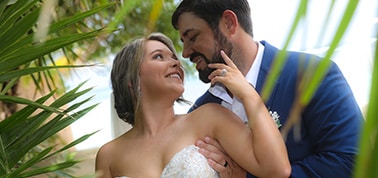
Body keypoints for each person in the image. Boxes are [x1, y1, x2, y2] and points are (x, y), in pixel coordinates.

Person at [171, 0, 364, 177]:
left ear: (229, 23)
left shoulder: (313, 74)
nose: (186, 53)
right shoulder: (200, 110)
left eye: (193, 37)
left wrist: (248, 176)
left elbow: (350, 162)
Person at [95, 32, 291, 178]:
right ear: (132, 80)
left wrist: (248, 95)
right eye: (158, 56)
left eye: (173, 57)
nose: (176, 63)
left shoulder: (210, 117)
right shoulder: (109, 156)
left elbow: (277, 169)